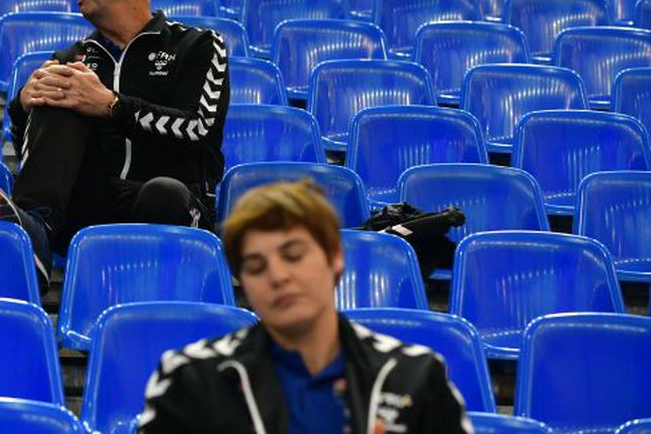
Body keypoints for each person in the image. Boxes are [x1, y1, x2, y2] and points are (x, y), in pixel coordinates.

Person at [0, 0, 230, 285]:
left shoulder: (199, 45)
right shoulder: (72, 59)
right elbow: (39, 154)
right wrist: (21, 107)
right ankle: (34, 231)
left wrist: (111, 106)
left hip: (171, 208)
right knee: (59, 85)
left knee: (164, 192)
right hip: (88, 211)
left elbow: (199, 129)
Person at [137, 179, 473, 434]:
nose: (279, 276)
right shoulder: (190, 377)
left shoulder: (416, 376)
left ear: (335, 259)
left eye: (294, 255)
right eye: (256, 265)